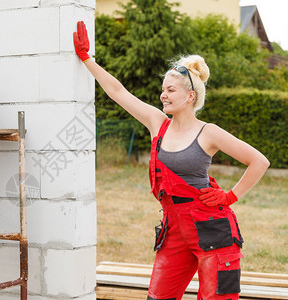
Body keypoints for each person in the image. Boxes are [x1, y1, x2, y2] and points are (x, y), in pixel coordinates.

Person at [73, 21, 270, 300]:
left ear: (191, 96)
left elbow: (259, 162)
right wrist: (86, 58)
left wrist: (230, 197)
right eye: (163, 89)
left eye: (171, 90)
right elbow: (118, 92)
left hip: (211, 227)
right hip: (174, 227)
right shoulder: (157, 123)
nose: (164, 95)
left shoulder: (208, 132)